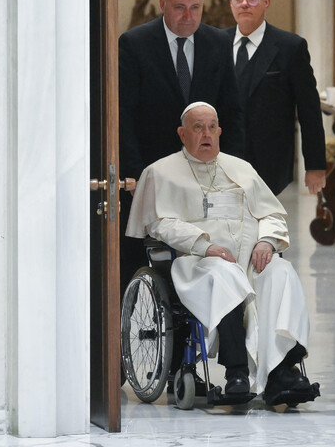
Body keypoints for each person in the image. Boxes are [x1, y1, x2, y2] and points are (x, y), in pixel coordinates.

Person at [126, 101, 317, 405]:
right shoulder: (161, 172)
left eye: (212, 127)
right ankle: (236, 371)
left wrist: (267, 242)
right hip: (196, 264)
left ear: (220, 131)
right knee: (225, 276)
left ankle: (282, 371)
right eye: (198, 127)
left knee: (281, 272)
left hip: (250, 261)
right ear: (182, 133)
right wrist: (204, 245)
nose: (206, 134)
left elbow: (271, 214)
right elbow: (161, 223)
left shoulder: (242, 169)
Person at [118, 0, 245, 296]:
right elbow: (124, 116)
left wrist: (233, 171)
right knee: (148, 259)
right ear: (162, 4)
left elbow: (231, 111)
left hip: (204, 173)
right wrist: (134, 175)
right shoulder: (134, 44)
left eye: (195, 8)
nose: (188, 16)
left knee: (200, 255)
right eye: (179, 7)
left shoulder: (218, 43)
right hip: (152, 172)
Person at [226, 0, 326, 196]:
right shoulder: (215, 43)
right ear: (230, 3)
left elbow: (309, 109)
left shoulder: (290, 47)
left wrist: (315, 165)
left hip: (269, 162)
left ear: (266, 2)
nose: (244, 4)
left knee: (263, 228)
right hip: (222, 159)